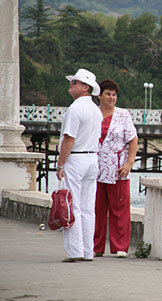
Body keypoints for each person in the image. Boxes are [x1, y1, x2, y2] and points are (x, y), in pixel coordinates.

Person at [56, 69, 103, 262]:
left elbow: (69, 139)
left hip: (76, 159)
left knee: (72, 205)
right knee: (87, 207)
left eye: (75, 82)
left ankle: (75, 251)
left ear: (85, 87)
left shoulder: (75, 109)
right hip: (92, 158)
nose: (71, 84)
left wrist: (60, 164)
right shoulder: (95, 109)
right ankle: (87, 250)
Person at [94, 79, 138, 258]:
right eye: (108, 94)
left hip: (117, 167)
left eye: (114, 94)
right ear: (99, 95)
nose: (111, 97)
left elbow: (133, 139)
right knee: (96, 207)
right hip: (95, 166)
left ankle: (120, 246)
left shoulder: (123, 115)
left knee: (119, 207)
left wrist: (129, 163)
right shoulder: (93, 113)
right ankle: (95, 246)